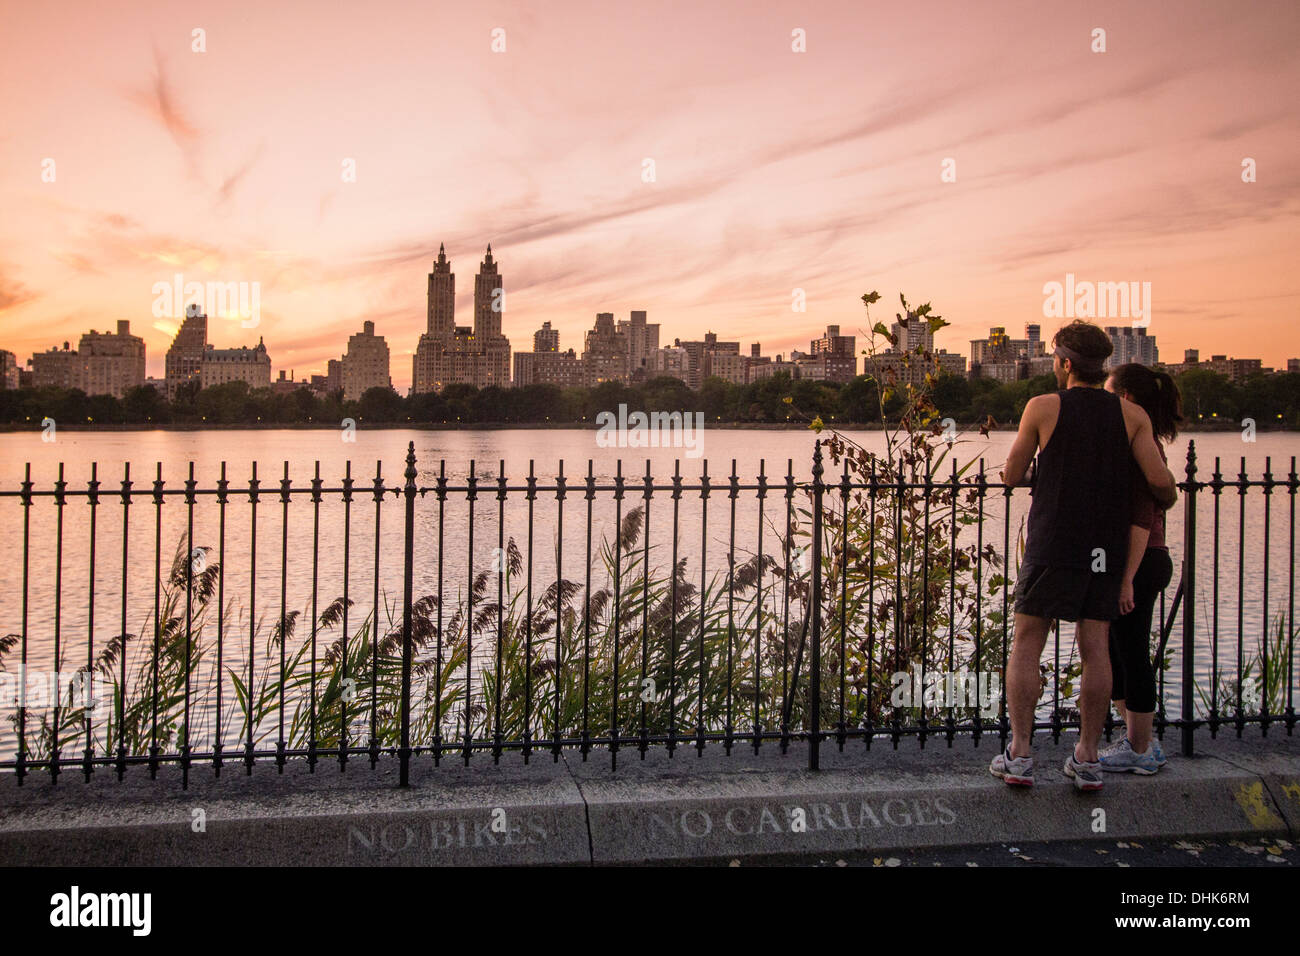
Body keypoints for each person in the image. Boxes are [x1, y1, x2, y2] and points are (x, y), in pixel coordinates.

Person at [991, 321, 1176, 792]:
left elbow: (1011, 474)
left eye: (1056, 359)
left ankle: (1020, 753)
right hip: (1105, 549)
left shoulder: (1043, 407)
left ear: (1067, 363)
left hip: (1053, 542)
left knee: (1028, 642)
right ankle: (1089, 757)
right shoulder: (1132, 416)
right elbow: (1161, 483)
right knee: (1096, 649)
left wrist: (1045, 470)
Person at [1099, 364, 1182, 774]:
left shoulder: (1139, 441)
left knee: (1131, 653)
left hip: (1141, 561)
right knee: (1117, 651)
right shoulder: (1136, 439)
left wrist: (1125, 579)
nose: (1105, 397)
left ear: (1127, 398)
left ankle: (1140, 749)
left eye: (1110, 391)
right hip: (1140, 560)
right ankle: (1138, 739)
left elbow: (1142, 517)